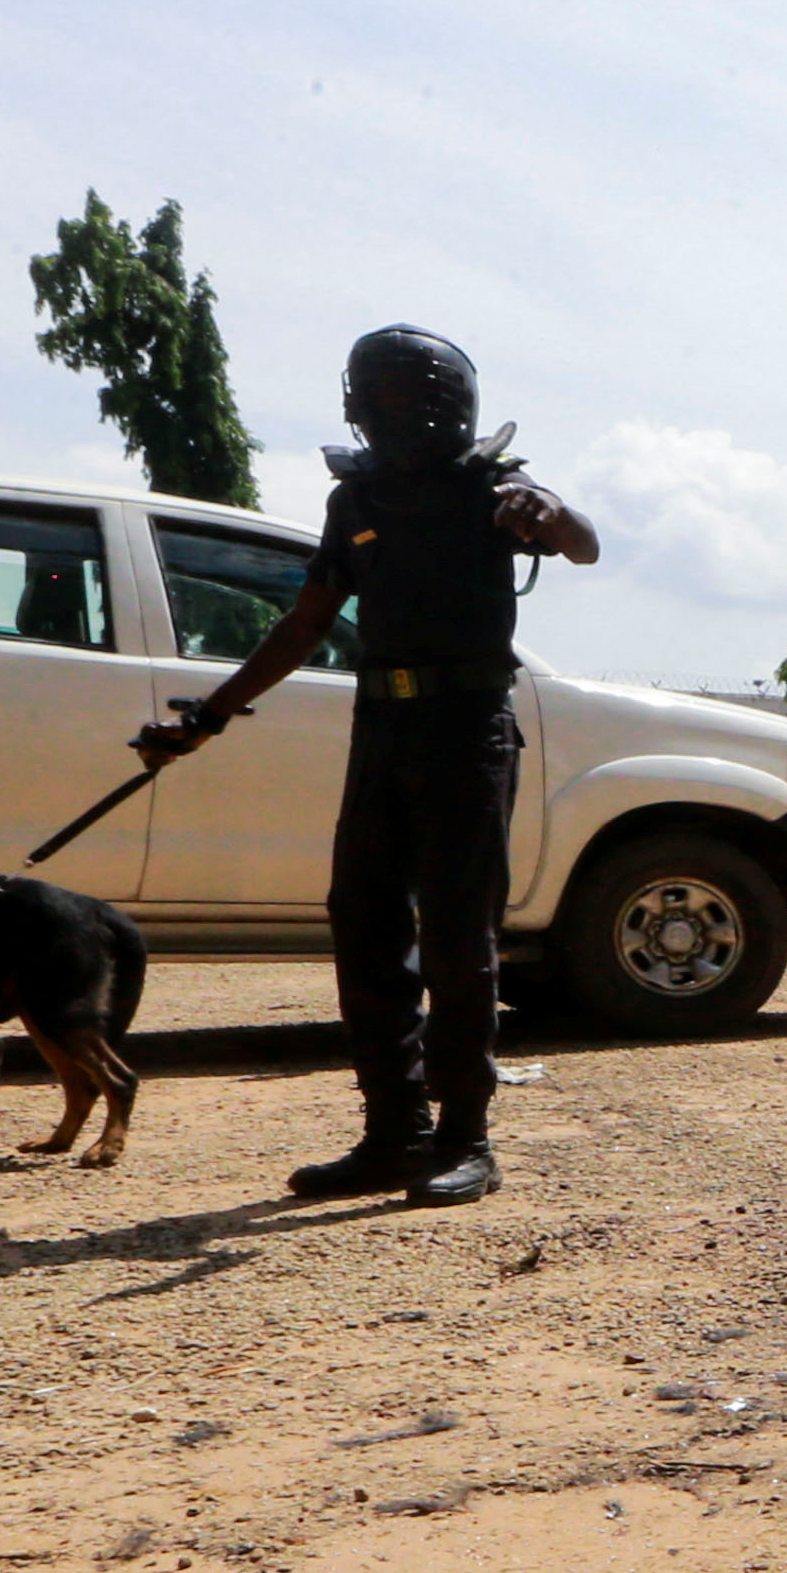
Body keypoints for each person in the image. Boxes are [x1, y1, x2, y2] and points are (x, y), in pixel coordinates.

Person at [131, 326, 600, 1207]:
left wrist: (551, 514)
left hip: (469, 731)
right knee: (364, 924)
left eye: (411, 397)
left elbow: (582, 543)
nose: (396, 413)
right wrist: (209, 715)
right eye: (378, 398)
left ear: (450, 401)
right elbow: (306, 621)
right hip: (381, 726)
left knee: (461, 942)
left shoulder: (493, 486)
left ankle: (467, 1137)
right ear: (356, 404)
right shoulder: (356, 500)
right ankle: (393, 1135)